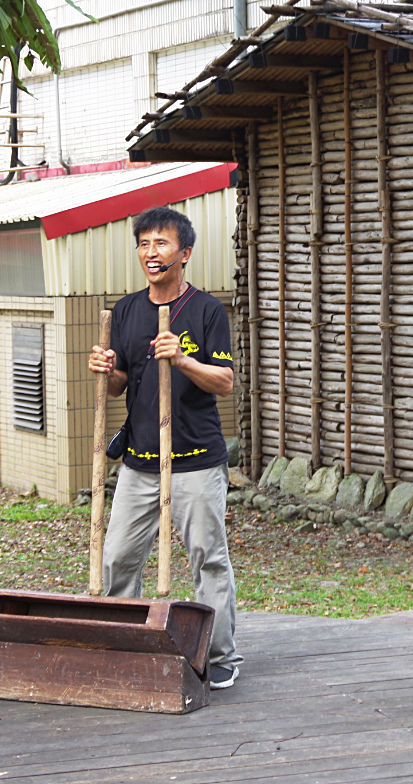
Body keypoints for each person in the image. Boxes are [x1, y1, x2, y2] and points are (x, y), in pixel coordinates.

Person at [87, 207, 242, 688]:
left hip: (195, 459)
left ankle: (219, 657)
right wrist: (106, 368)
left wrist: (182, 358)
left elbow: (225, 381)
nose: (151, 253)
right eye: (144, 244)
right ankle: (123, 645)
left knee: (207, 556)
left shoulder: (207, 311)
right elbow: (118, 388)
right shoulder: (128, 310)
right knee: (117, 557)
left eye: (162, 243)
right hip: (140, 459)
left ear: (185, 253)